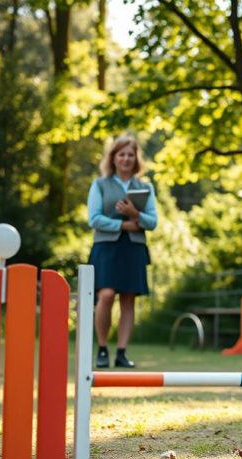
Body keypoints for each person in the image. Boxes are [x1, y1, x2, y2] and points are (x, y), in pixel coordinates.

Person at [87, 135, 158, 368]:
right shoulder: (100, 184)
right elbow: (93, 218)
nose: (126, 159)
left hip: (133, 249)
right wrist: (123, 225)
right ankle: (103, 349)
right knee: (106, 295)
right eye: (122, 154)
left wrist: (135, 214)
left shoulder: (145, 187)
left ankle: (121, 353)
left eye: (130, 154)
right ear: (113, 157)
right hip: (106, 248)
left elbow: (153, 222)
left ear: (136, 158)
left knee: (128, 300)